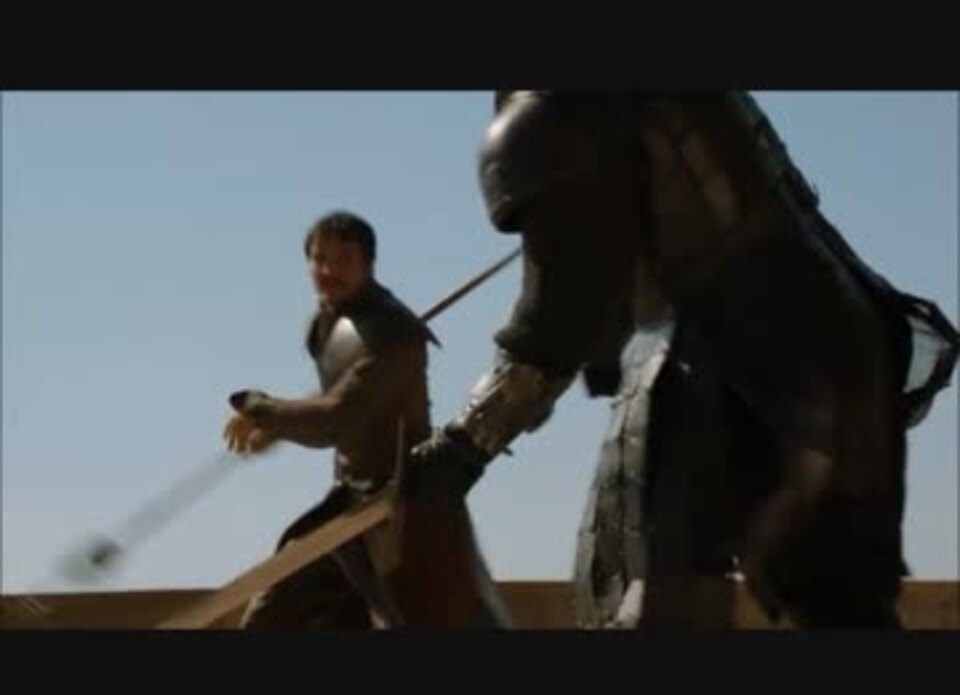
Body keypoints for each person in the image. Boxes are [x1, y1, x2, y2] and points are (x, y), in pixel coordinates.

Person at [407, 92, 960, 629]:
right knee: (840, 604)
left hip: (728, 375)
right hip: (839, 355)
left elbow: (558, 323)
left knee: (644, 593)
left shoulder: (555, 111)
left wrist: (463, 444)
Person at [224, 210, 511, 628]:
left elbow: (338, 419)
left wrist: (260, 409)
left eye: (343, 260)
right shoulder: (326, 325)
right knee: (272, 615)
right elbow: (341, 397)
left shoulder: (394, 334)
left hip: (406, 507)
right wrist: (277, 429)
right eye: (320, 259)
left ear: (368, 263)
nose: (328, 271)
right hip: (350, 505)